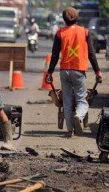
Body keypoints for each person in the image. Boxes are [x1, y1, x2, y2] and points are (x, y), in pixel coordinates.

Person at [45, 7, 103, 138]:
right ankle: (79, 115)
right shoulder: (85, 32)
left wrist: (49, 73)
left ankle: (69, 130)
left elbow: (54, 55)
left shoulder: (60, 33)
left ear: (64, 19)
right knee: (82, 99)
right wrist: (98, 71)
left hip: (64, 70)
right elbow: (91, 54)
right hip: (79, 70)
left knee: (67, 100)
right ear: (77, 18)